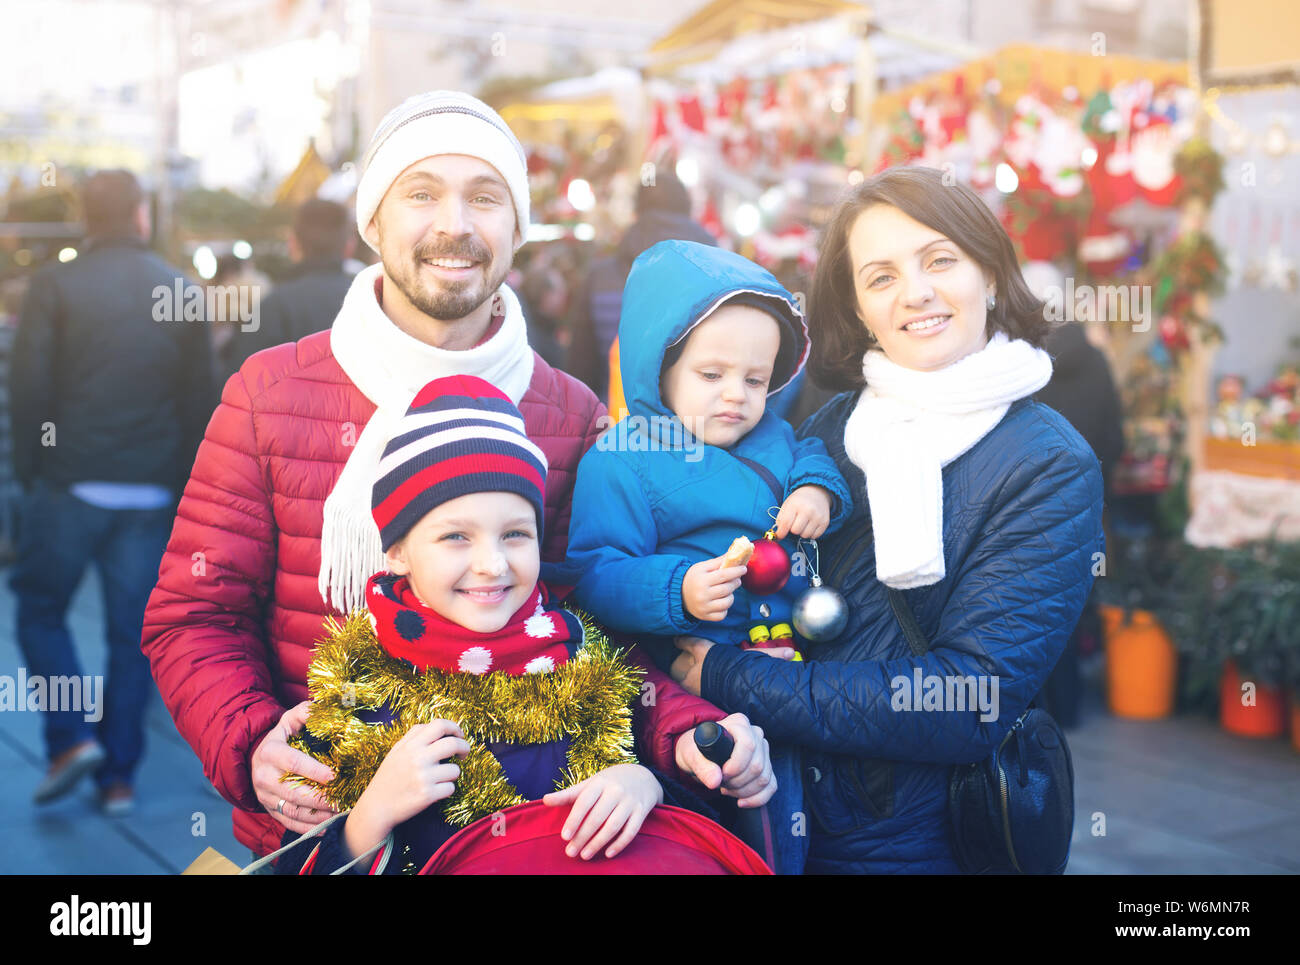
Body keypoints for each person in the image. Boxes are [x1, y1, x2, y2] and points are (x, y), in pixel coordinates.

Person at [141, 90, 774, 860]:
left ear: (516, 228)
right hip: (327, 834)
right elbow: (193, 614)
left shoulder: (569, 411)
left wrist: (677, 736)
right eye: (421, 193)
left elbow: (599, 627)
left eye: (485, 197)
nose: (455, 224)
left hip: (530, 837)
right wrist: (249, 744)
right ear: (373, 221)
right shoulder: (270, 394)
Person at [668, 165, 1105, 874]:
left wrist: (731, 678)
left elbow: (969, 696)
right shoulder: (835, 425)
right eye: (880, 277)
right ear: (860, 308)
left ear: (989, 273)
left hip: (918, 840)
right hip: (778, 806)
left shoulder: (1049, 462)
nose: (916, 292)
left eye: (940, 259)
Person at [273, 375, 672, 874]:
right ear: (397, 551)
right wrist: (369, 820)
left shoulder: (587, 663)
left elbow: (661, 812)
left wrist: (646, 786)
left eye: (515, 534)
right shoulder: (356, 688)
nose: (492, 564)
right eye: (457, 536)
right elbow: (295, 863)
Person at [566, 240, 853, 874]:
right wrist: (678, 589)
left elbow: (807, 452)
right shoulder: (624, 457)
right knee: (730, 806)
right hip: (691, 674)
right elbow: (593, 572)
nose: (736, 396)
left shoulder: (772, 435)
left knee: (797, 805)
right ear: (659, 366)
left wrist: (816, 488)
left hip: (792, 656)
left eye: (756, 380)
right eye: (711, 375)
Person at [10, 168, 213, 815]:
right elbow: (200, 403)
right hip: (151, 493)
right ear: (141, 215)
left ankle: (70, 739)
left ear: (84, 217)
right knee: (133, 637)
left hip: (70, 482)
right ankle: (119, 777)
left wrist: (37, 471)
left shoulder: (55, 285)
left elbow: (30, 390)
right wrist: (184, 491)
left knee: (41, 609)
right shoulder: (180, 290)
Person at [566, 170, 715, 405]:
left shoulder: (600, 278)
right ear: (687, 210)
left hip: (617, 426)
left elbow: (580, 371)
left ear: (635, 212)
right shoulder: (719, 273)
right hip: (702, 431)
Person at [235, 198, 357, 365]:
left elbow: (242, 379)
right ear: (349, 247)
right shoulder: (371, 303)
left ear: (293, 244)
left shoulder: (273, 307)